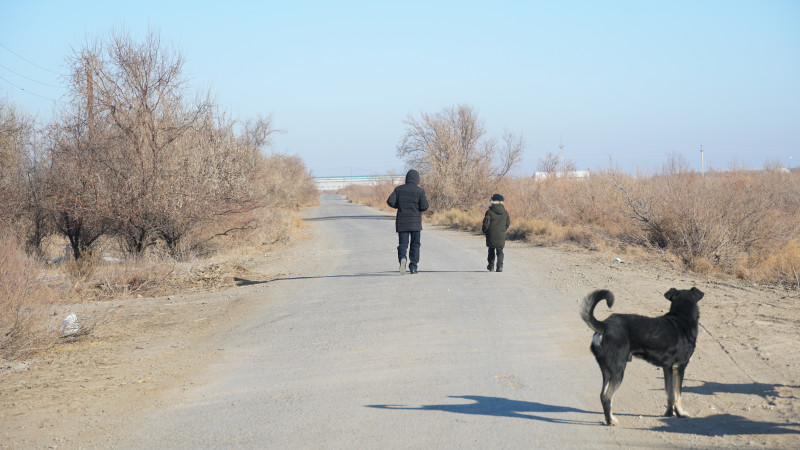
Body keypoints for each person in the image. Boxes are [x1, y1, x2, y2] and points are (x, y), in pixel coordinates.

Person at [387, 169, 429, 274]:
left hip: (402, 223)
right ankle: (413, 267)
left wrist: (399, 205)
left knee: (403, 244)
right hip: (415, 223)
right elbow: (425, 206)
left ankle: (402, 258)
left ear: (407, 178)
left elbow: (390, 201)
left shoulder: (399, 189)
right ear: (417, 179)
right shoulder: (420, 191)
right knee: (415, 244)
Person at [482, 193, 510, 272]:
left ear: (493, 201)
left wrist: (485, 231)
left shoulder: (489, 212)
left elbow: (486, 223)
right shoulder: (505, 212)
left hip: (491, 234)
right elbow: (507, 223)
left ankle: (491, 266)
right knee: (500, 251)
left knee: (491, 250)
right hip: (501, 234)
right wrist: (503, 230)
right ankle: (500, 266)